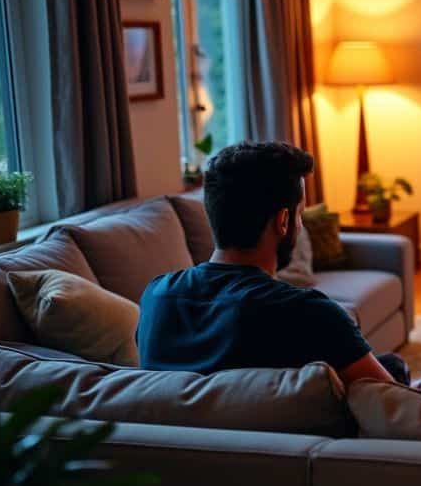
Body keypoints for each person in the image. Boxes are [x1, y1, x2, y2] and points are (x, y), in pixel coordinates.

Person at [138, 142, 396, 386]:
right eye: (300, 214)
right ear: (283, 221)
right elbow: (394, 406)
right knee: (394, 367)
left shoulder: (156, 297)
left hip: (168, 434)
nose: (300, 223)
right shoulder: (311, 314)